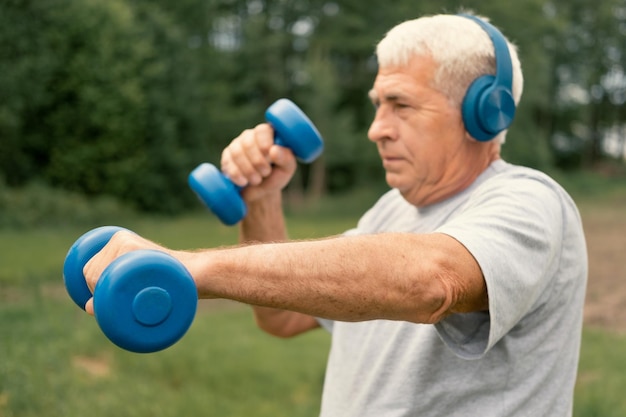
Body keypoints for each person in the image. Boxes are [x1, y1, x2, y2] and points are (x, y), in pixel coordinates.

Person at [83, 13, 588, 417]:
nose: (377, 129)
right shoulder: (389, 213)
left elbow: (431, 281)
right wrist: (262, 200)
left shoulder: (530, 201)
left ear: (487, 113)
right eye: (377, 104)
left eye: (400, 106)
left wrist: (189, 268)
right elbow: (281, 318)